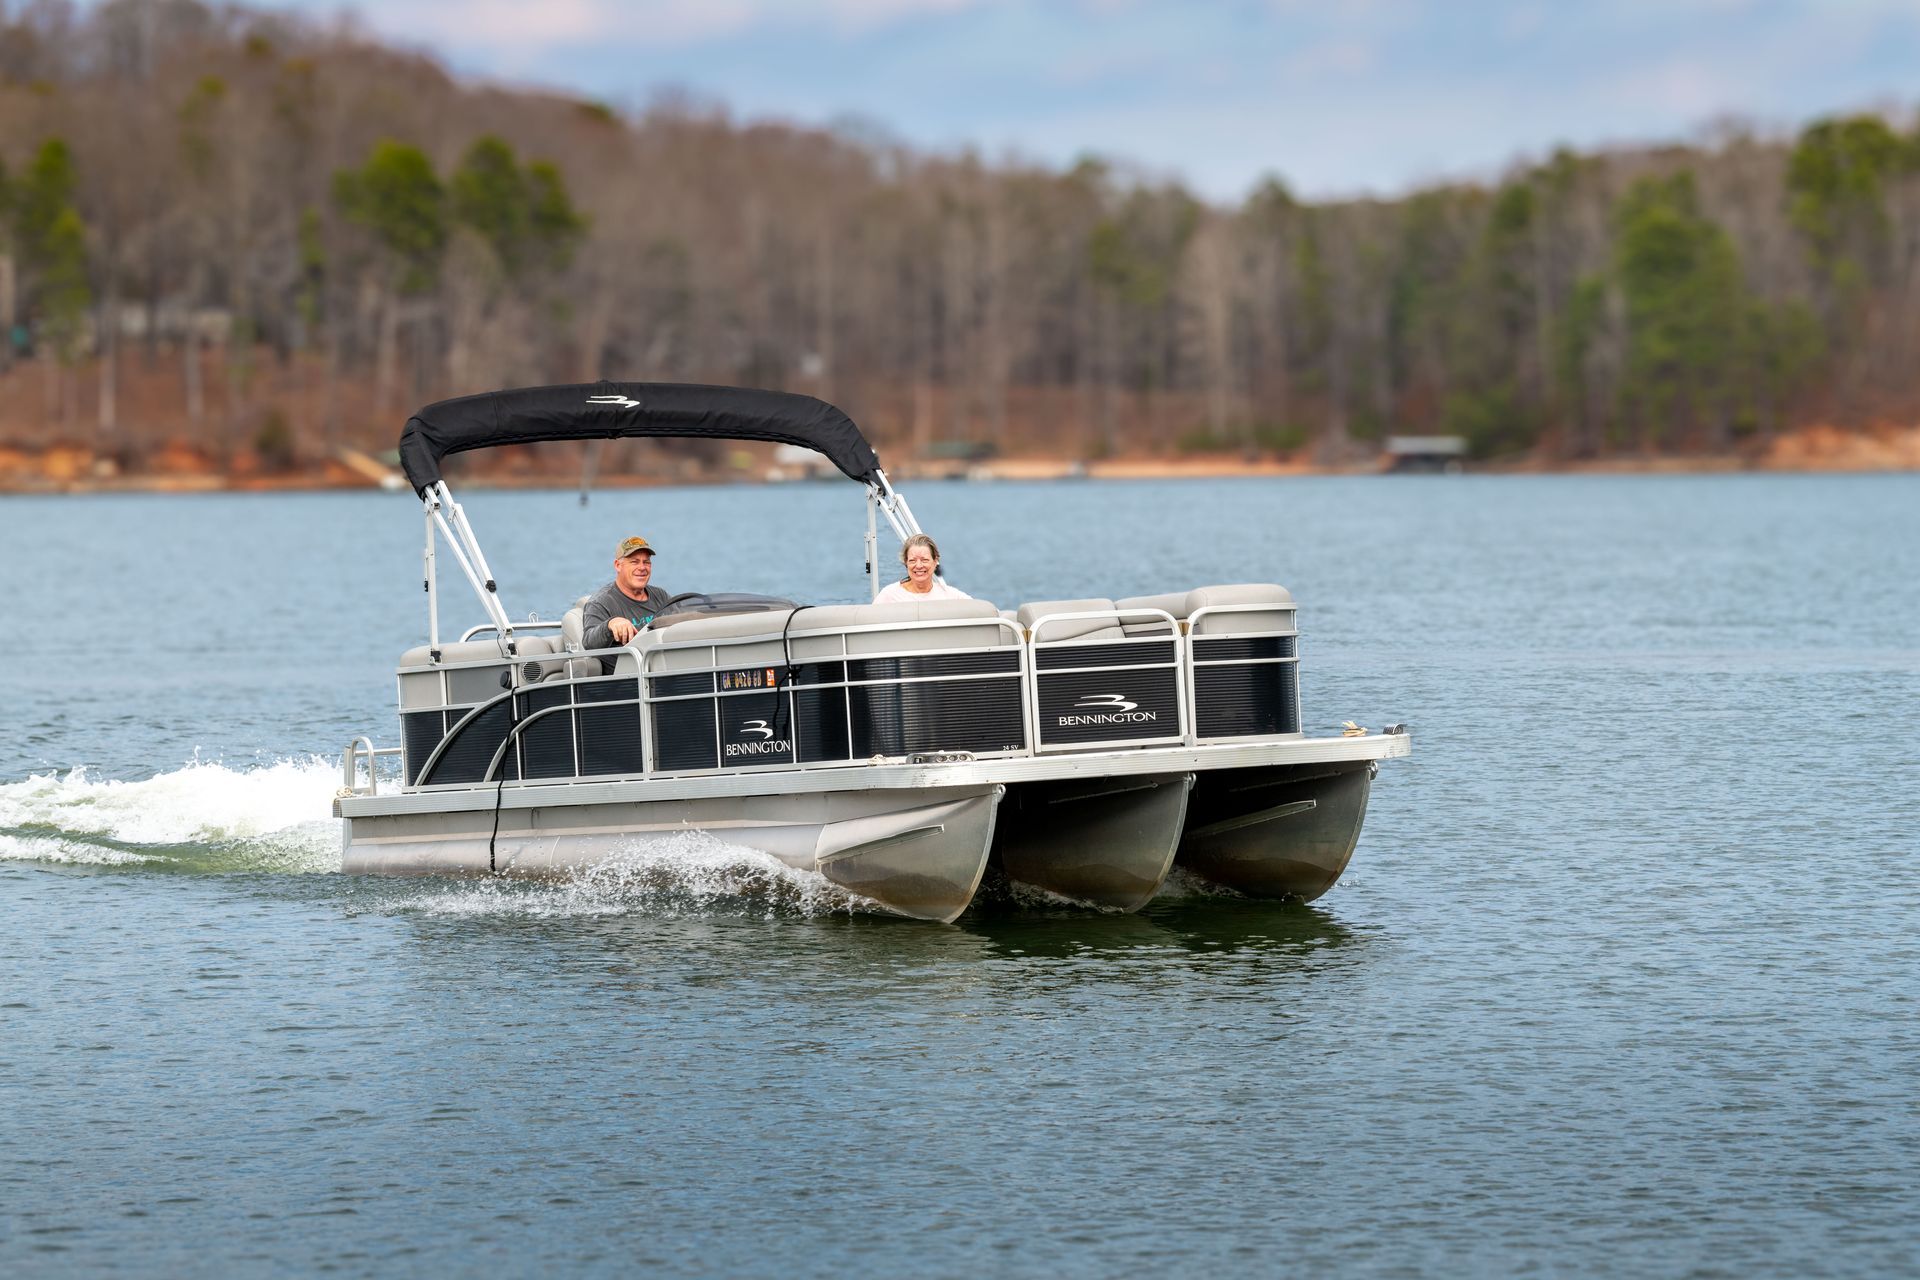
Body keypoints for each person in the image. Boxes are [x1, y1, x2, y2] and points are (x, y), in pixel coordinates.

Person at [582, 536, 671, 669]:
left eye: (646, 562)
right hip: (628, 682)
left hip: (666, 672)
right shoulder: (600, 602)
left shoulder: (661, 596)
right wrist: (610, 624)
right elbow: (588, 643)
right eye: (634, 562)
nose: (642, 568)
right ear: (618, 565)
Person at [875, 533, 971, 603]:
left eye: (924, 560)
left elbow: (979, 611)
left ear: (935, 561)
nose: (919, 566)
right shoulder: (889, 595)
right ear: (906, 562)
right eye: (912, 560)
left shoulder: (950, 596)